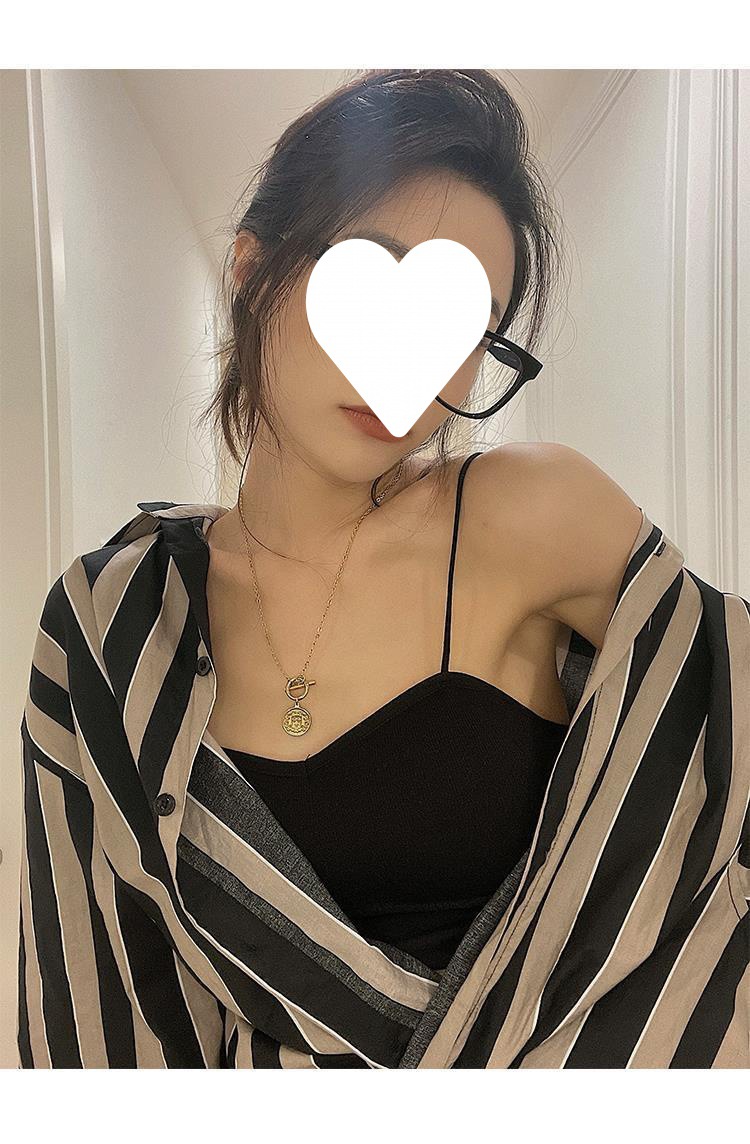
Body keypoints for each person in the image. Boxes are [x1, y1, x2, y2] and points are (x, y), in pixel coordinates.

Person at [17, 69, 749, 1069]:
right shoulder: (114, 621)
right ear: (251, 273)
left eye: (461, 322)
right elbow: (94, 998)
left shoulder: (527, 515)